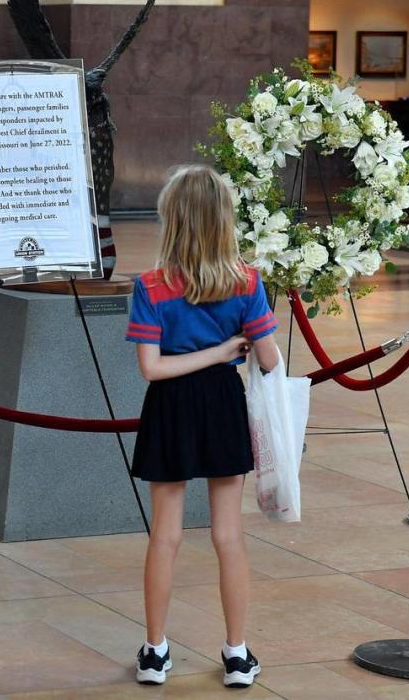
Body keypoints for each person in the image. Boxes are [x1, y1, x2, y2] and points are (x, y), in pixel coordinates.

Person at [126, 164, 279, 689]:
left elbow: (152, 368)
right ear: (224, 220)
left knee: (164, 535)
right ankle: (237, 655)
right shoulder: (247, 281)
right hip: (220, 402)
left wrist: (199, 352)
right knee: (227, 534)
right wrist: (222, 349)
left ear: (171, 218)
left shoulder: (150, 286)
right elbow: (271, 359)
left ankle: (154, 651)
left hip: (169, 405)